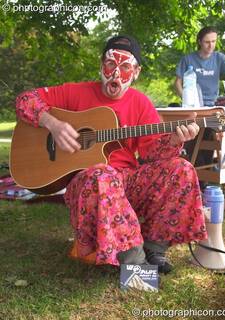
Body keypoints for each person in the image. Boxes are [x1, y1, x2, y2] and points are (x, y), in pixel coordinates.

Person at [16, 35, 207, 274]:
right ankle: (136, 266)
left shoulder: (141, 103)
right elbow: (25, 99)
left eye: (125, 67)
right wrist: (53, 124)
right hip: (91, 184)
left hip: (128, 180)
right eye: (110, 64)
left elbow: (152, 157)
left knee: (182, 168)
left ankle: (153, 249)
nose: (116, 74)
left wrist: (175, 139)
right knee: (103, 174)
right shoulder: (76, 92)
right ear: (101, 65)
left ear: (136, 72)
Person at [175, 26, 225, 107]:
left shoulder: (220, 58)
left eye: (213, 41)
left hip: (214, 105)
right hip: (193, 106)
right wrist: (186, 100)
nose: (211, 45)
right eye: (207, 42)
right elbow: (178, 83)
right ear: (199, 42)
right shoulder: (187, 59)